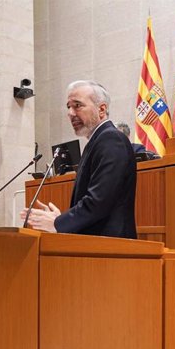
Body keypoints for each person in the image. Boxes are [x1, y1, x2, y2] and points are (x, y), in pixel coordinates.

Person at [21, 80, 137, 239]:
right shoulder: (97, 140)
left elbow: (99, 201)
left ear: (101, 109)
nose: (70, 113)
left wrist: (58, 223)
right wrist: (60, 219)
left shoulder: (111, 139)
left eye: (77, 105)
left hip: (111, 247)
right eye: (68, 106)